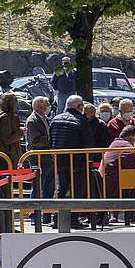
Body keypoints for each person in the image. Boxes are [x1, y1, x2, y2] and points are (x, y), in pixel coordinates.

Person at [50, 94, 90, 224]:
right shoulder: (81, 121)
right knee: (76, 190)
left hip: (59, 160)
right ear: (79, 106)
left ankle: (56, 218)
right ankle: (73, 218)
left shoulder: (55, 119)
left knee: (61, 189)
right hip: (77, 162)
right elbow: (88, 142)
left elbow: (51, 141)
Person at [26, 96, 56, 205]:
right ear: (39, 106)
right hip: (38, 158)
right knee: (38, 186)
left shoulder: (45, 118)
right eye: (46, 104)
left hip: (48, 157)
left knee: (49, 186)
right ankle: (34, 213)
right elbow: (35, 141)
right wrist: (51, 138)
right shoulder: (32, 120)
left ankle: (46, 214)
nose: (48, 107)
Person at [0, 92, 24, 170]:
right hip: (8, 155)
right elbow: (7, 139)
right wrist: (21, 132)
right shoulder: (6, 118)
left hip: (0, 154)